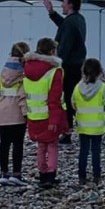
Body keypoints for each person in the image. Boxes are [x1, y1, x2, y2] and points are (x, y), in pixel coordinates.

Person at [25, 38, 67, 188]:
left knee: (41, 146)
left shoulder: (27, 68)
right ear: (52, 51)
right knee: (52, 146)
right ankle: (50, 174)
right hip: (49, 116)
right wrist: (56, 120)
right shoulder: (54, 71)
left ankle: (42, 173)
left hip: (33, 115)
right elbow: (54, 99)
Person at [45, 0, 87, 142]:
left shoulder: (70, 22)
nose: (62, 5)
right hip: (77, 64)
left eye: (64, 2)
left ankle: (68, 132)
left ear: (70, 4)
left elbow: (65, 45)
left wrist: (56, 62)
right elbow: (64, 25)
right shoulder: (78, 19)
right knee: (74, 98)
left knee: (68, 100)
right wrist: (51, 12)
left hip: (68, 66)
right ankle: (84, 129)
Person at [0, 42, 29, 186]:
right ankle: (16, 174)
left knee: (4, 144)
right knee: (18, 144)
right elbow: (22, 98)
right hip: (17, 115)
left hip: (2, 113)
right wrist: (26, 114)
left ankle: (4, 173)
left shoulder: (1, 74)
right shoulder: (23, 76)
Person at [71, 57, 105, 187]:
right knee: (96, 151)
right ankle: (97, 175)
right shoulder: (102, 87)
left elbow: (73, 103)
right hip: (97, 126)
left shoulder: (77, 87)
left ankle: (82, 176)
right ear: (99, 72)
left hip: (82, 125)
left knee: (83, 151)